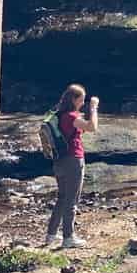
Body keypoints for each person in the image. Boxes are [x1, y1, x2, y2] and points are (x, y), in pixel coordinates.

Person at [45, 84, 98, 249]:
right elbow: (92, 127)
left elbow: (84, 127)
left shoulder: (59, 115)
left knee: (62, 197)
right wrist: (94, 108)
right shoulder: (71, 117)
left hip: (59, 161)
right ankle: (69, 237)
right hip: (73, 160)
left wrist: (88, 112)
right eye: (81, 100)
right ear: (74, 100)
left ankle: (51, 235)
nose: (83, 103)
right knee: (72, 199)